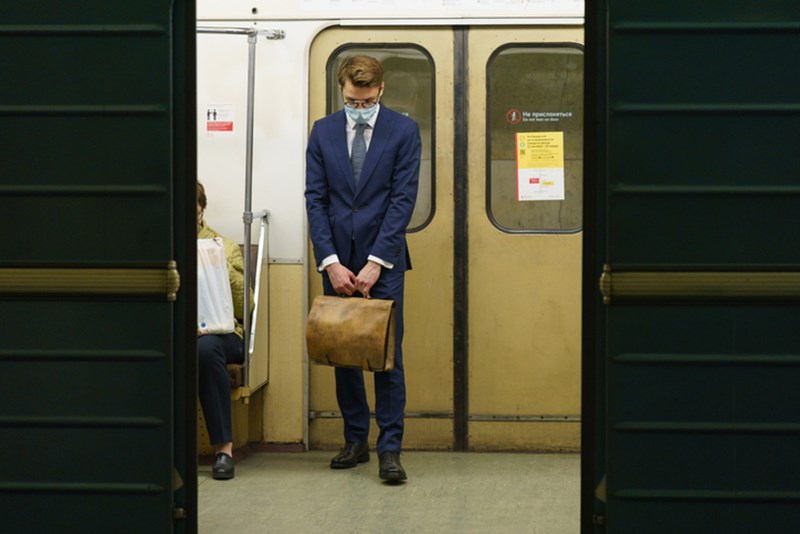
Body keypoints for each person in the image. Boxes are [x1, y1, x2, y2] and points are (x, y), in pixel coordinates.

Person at [305, 55, 421, 482]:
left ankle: (390, 448)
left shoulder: (404, 131)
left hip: (384, 261)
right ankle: (356, 439)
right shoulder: (322, 132)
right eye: (353, 102)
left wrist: (376, 261)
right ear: (342, 92)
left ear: (381, 91)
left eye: (366, 102)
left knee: (387, 356)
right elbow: (315, 199)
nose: (359, 109)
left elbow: (402, 200)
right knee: (344, 351)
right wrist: (331, 261)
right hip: (336, 259)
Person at [196, 182, 253, 480]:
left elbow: (247, 306)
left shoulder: (224, 246)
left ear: (201, 209)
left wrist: (222, 269)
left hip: (224, 334)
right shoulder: (163, 244)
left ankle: (223, 449)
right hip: (181, 332)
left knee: (205, 350)